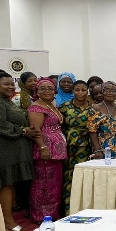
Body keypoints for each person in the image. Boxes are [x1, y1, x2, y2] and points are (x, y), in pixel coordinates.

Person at [0, 69, 37, 231]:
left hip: (12, 152)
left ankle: (7, 220)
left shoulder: (7, 101)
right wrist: (23, 131)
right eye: (6, 84)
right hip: (2, 152)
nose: (10, 87)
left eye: (12, 84)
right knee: (5, 186)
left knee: (9, 186)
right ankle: (8, 222)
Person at [28, 78, 68, 222]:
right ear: (37, 91)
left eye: (50, 88)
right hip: (45, 151)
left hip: (56, 153)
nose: (47, 91)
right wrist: (43, 147)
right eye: (43, 88)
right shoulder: (36, 108)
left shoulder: (50, 105)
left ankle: (52, 214)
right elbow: (36, 130)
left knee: (54, 185)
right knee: (43, 185)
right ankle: (40, 215)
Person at [59, 80, 92, 215]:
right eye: (77, 90)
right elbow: (59, 127)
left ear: (87, 91)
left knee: (85, 177)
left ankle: (84, 209)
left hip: (88, 147)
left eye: (83, 90)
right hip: (69, 146)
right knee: (69, 178)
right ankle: (68, 210)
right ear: (73, 91)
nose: (80, 93)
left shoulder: (92, 107)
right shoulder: (65, 107)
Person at [88, 81, 116, 159]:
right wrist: (97, 150)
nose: (110, 93)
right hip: (103, 150)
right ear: (102, 92)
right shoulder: (96, 109)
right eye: (107, 90)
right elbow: (92, 131)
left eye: (113, 91)